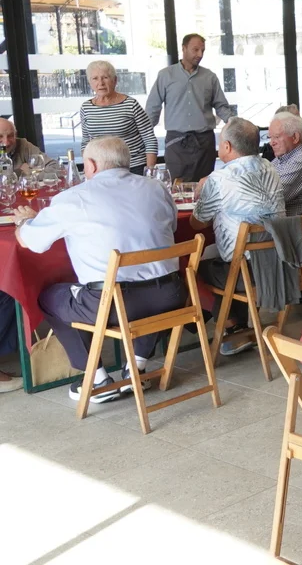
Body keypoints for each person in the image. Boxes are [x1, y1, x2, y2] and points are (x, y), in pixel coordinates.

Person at [12, 137, 184, 403]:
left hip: (115, 304)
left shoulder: (74, 198)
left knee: (49, 297)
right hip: (172, 296)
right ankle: (136, 367)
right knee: (151, 283)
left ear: (90, 165)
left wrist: (24, 222)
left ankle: (97, 377)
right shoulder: (156, 188)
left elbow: (29, 242)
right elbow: (172, 227)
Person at [190, 117, 285, 356]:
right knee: (230, 257)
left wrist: (203, 192)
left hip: (247, 274)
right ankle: (238, 328)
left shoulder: (219, 178)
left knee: (192, 267)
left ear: (228, 146)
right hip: (280, 265)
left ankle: (231, 325)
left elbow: (196, 223)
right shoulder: (271, 168)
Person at [145, 33, 234, 182]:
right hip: (176, 142)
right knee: (176, 186)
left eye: (202, 50)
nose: (200, 54)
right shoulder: (165, 75)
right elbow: (153, 108)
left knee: (204, 186)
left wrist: (235, 124)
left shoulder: (210, 77)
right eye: (195, 50)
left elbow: (221, 106)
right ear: (184, 48)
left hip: (204, 142)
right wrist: (144, 133)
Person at [78, 60, 158, 175]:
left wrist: (150, 171)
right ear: (90, 82)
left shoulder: (131, 104)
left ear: (115, 80)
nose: (100, 83)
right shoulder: (86, 108)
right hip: (101, 171)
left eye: (105, 77)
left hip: (133, 168)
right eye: (95, 78)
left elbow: (149, 139)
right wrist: (89, 169)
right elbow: (86, 142)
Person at [267, 111, 302, 216]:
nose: (271, 143)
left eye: (276, 137)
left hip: (290, 224)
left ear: (295, 137)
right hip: (275, 220)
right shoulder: (283, 157)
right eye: (270, 137)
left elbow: (270, 199)